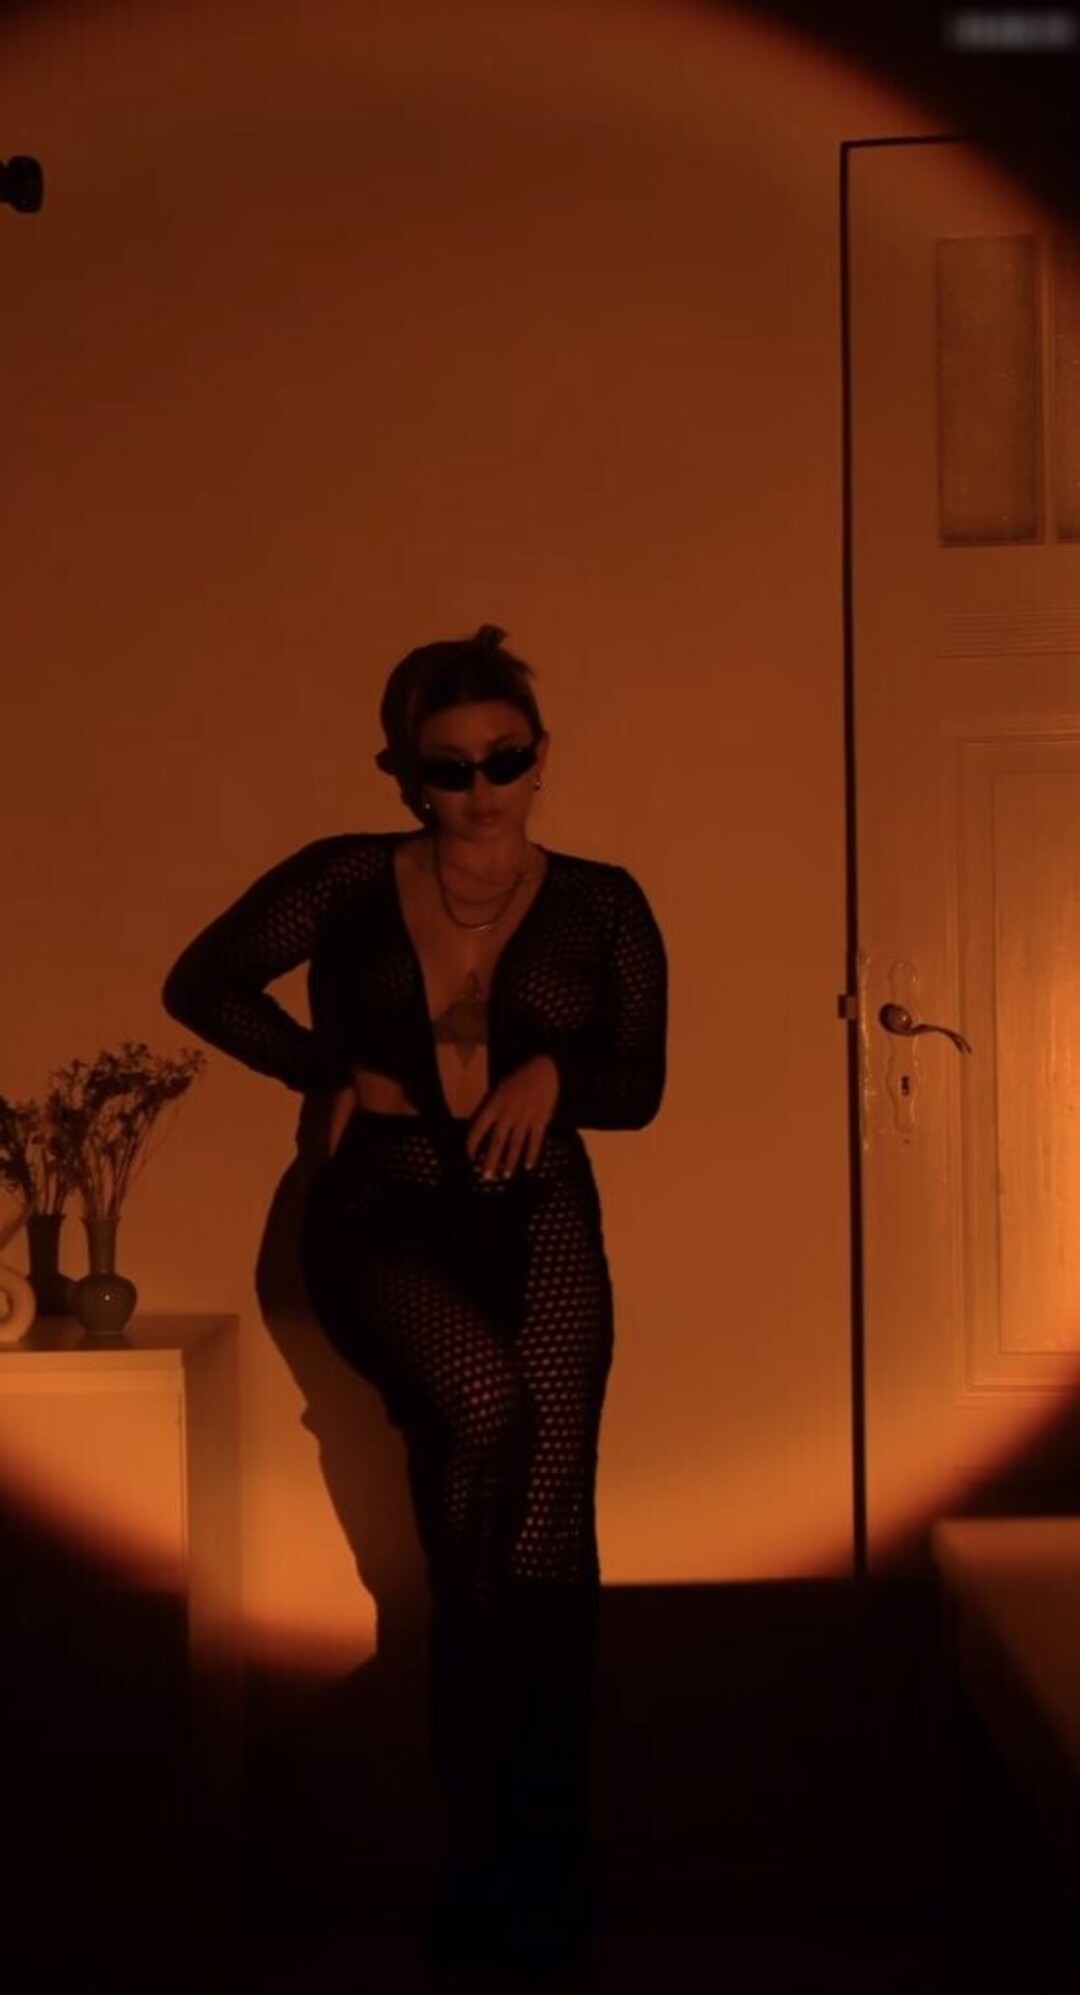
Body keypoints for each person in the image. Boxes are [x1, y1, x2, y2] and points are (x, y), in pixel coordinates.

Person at [160, 624, 668, 1977]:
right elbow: (204, 983)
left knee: (544, 1531)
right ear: (407, 775)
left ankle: (533, 1865)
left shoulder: (603, 902)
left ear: (541, 757)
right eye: (450, 769)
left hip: (538, 1210)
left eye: (504, 759)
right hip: (382, 1207)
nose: (481, 790)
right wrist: (327, 1070)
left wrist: (554, 1071)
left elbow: (639, 1082)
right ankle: (494, 1843)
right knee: (488, 1419)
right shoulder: (346, 879)